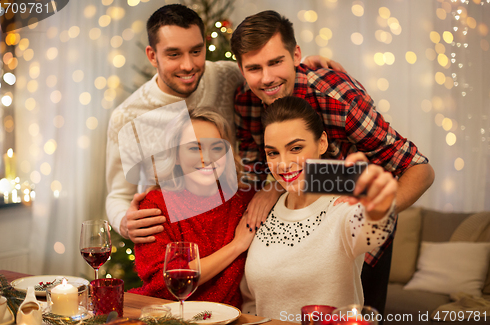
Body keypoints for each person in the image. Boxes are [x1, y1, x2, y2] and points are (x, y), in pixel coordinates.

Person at [230, 10, 435, 316]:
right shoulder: (245, 102)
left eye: (276, 62)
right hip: (297, 233)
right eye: (254, 68)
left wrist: (375, 209)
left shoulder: (338, 97)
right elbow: (258, 166)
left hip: (357, 229)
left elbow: (420, 167)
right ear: (241, 69)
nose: (267, 78)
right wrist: (273, 186)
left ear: (296, 54)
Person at [105, 4, 342, 244]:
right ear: (152, 55)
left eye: (196, 51)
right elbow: (118, 194)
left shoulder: (228, 76)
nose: (188, 65)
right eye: (174, 54)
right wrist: (124, 222)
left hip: (237, 222)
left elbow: (270, 70)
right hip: (174, 236)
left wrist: (306, 65)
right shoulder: (127, 117)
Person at [241, 96, 398, 319]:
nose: (283, 163)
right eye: (273, 153)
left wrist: (379, 205)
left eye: (295, 148)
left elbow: (372, 231)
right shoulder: (264, 210)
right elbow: (251, 301)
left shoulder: (343, 209)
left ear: (322, 143)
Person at [131, 107, 256, 309]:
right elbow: (163, 285)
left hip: (229, 320)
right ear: (177, 156)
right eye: (194, 148)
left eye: (216, 148)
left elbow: (295, 185)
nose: (207, 158)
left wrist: (271, 192)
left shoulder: (243, 199)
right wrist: (236, 246)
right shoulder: (157, 205)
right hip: (170, 318)